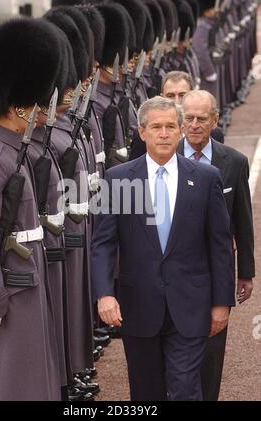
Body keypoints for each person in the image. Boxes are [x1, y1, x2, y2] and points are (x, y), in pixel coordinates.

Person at [91, 96, 235, 401]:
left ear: (181, 130)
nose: (164, 133)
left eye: (171, 126)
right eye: (156, 126)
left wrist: (222, 302)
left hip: (191, 305)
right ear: (142, 132)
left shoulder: (207, 178)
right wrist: (104, 294)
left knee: (185, 388)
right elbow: (103, 242)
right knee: (146, 393)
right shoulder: (117, 179)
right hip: (138, 305)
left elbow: (220, 245)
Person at [0, 18, 63, 400]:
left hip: (25, 277)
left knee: (29, 375)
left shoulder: (14, 150)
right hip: (8, 284)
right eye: (35, 104)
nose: (40, 112)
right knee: (7, 378)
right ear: (19, 106)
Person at [178, 89, 255, 400]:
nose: (195, 125)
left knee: (210, 358)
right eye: (189, 118)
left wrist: (246, 272)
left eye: (202, 118)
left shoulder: (233, 162)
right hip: (173, 271)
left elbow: (243, 220)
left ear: (214, 120)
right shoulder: (162, 156)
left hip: (215, 274)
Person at [129, 70, 224, 160]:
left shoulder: (213, 133)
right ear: (162, 97)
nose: (177, 101)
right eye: (170, 96)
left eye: (182, 95)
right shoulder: (145, 133)